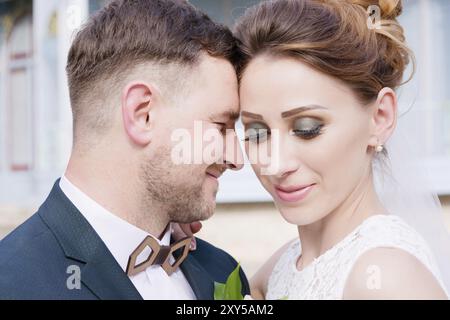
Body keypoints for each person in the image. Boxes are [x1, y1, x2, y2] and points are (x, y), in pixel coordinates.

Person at [0, 0, 249, 300]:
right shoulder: (11, 283)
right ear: (142, 113)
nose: (237, 160)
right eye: (221, 126)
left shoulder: (221, 271)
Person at [233, 0, 450, 299]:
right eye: (257, 133)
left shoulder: (389, 278)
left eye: (307, 128)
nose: (276, 164)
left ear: (380, 118)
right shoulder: (281, 267)